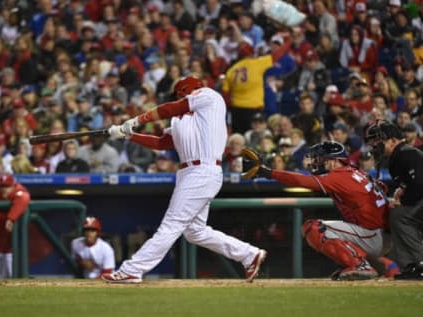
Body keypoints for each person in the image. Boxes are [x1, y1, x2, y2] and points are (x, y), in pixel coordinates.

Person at [102, 76, 266, 283]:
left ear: (186, 90)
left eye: (179, 93)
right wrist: (128, 135)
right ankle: (249, 255)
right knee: (194, 232)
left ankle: (132, 270)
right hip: (191, 173)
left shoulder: (209, 96)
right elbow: (162, 143)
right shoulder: (181, 119)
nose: (179, 97)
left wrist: (138, 120)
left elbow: (173, 107)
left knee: (171, 225)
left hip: (203, 170)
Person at [246, 141, 399, 280]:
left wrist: (268, 172)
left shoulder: (340, 176)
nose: (317, 162)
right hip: (382, 234)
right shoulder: (357, 172)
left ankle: (361, 266)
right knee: (337, 232)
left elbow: (301, 180)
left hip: (372, 235)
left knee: (314, 227)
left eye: (321, 159)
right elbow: (383, 188)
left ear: (334, 161)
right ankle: (380, 267)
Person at [364, 120, 423, 279]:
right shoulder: (400, 154)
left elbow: (419, 184)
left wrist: (403, 201)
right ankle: (413, 265)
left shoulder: (406, 153)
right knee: (399, 214)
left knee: (401, 216)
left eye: (378, 141)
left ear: (392, 140)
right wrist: (403, 190)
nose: (375, 145)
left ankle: (417, 264)